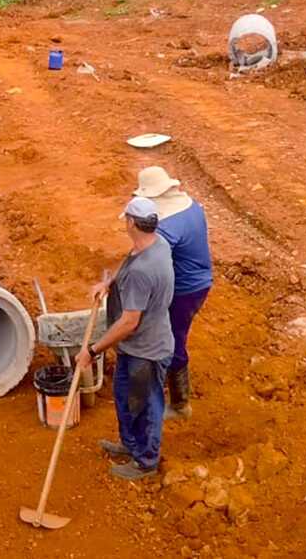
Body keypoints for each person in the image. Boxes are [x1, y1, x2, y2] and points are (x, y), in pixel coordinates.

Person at [76, 197, 174, 481]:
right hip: (136, 346)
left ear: (132, 222)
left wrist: (92, 351)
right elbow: (130, 259)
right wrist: (109, 284)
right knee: (125, 398)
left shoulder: (144, 272)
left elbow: (130, 322)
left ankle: (146, 462)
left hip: (147, 350)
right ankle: (130, 445)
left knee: (144, 406)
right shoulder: (156, 243)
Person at [133, 166, 213, 421]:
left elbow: (151, 263)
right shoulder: (192, 206)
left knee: (172, 341)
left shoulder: (167, 228)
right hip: (200, 281)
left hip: (184, 289)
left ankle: (180, 405)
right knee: (175, 336)